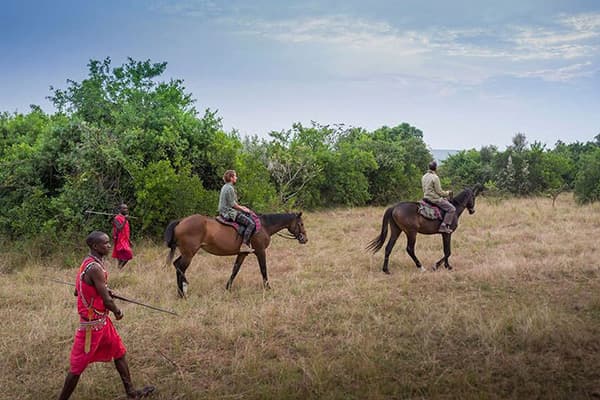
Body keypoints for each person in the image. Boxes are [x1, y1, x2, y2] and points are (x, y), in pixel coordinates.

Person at [58, 231, 154, 399]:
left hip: (102, 322)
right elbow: (107, 301)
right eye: (106, 243)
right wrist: (118, 311)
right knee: (76, 368)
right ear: (95, 246)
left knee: (119, 353)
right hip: (91, 327)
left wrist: (100, 289)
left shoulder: (88, 262)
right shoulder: (95, 268)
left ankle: (131, 393)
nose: (109, 245)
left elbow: (77, 291)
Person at [218, 170, 256, 253]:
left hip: (224, 210)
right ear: (231, 178)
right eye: (235, 176)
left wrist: (243, 207)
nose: (236, 177)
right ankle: (244, 245)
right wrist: (243, 209)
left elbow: (233, 202)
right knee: (251, 224)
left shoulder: (225, 186)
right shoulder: (230, 188)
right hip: (229, 213)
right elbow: (233, 205)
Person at [421, 161, 456, 233]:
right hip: (434, 199)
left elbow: (424, 188)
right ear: (436, 168)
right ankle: (443, 226)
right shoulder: (435, 177)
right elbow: (439, 192)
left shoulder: (424, 176)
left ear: (429, 167)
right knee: (452, 208)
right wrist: (447, 193)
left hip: (425, 198)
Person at [112, 203, 133, 269]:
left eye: (126, 208)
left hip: (125, 239)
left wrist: (129, 240)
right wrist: (125, 220)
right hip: (120, 239)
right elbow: (119, 228)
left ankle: (119, 269)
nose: (126, 210)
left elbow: (126, 231)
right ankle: (119, 268)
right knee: (128, 254)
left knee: (122, 256)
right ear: (119, 209)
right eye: (124, 208)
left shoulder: (125, 218)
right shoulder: (116, 218)